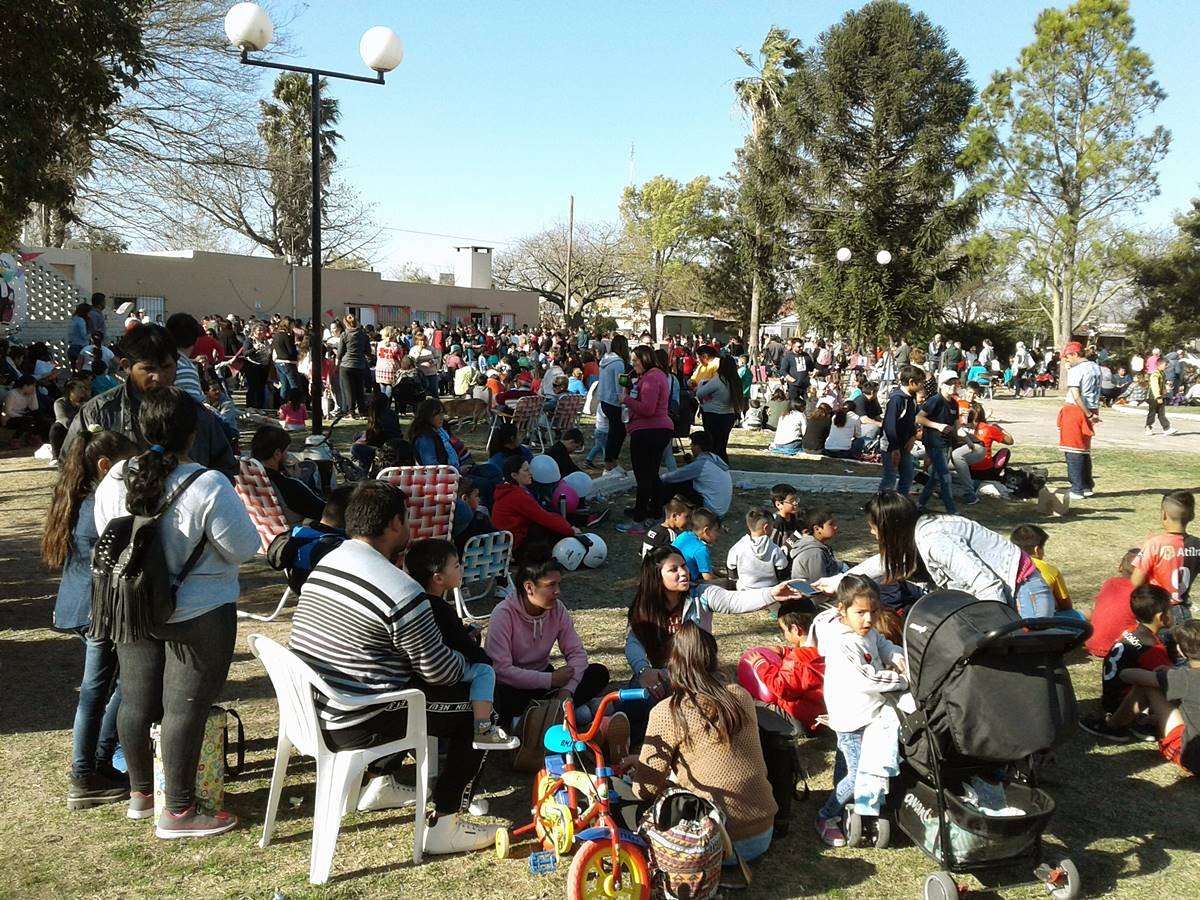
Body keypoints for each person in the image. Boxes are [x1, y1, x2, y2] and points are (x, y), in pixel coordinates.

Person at [288, 480, 497, 853]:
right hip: (355, 719)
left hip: (310, 710)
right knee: (477, 712)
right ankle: (445, 823)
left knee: (410, 683)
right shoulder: (400, 590)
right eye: (407, 520)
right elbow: (439, 672)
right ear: (395, 524)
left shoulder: (327, 563)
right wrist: (472, 663)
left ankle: (380, 784)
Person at [94, 388, 259, 837]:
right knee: (184, 707)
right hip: (199, 610)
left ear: (140, 427)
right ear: (194, 433)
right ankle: (180, 811)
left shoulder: (115, 478)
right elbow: (244, 547)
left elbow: (106, 533)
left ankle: (141, 794)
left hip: (132, 605)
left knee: (134, 699)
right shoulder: (207, 484)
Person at [42, 429, 138, 810]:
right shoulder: (101, 502)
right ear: (105, 466)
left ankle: (98, 763)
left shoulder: (77, 496)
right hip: (95, 609)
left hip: (79, 606)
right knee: (102, 689)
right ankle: (84, 774)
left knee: (116, 684)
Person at [630, 622, 777, 863]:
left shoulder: (668, 712)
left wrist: (640, 768)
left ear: (672, 665)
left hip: (713, 843)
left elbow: (644, 789)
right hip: (763, 832)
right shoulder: (740, 696)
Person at [817, 492, 1055, 618]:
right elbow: (883, 564)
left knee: (1033, 659)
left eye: (874, 528)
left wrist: (994, 628)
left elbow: (986, 585)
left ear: (891, 527)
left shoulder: (935, 538)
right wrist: (838, 581)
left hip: (1024, 589)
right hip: (1005, 593)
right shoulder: (914, 534)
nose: (872, 533)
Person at [63, 324, 237, 479]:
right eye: (148, 369)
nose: (158, 377)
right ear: (127, 366)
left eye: (166, 367)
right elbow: (70, 469)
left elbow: (225, 467)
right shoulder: (98, 412)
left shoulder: (195, 413)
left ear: (177, 364)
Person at [814, 574, 907, 847]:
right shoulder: (843, 643)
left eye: (874, 612)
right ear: (842, 610)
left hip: (867, 712)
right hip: (852, 718)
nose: (868, 619)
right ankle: (826, 815)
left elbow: (883, 644)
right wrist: (902, 680)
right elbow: (868, 678)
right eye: (861, 613)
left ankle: (842, 799)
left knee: (846, 764)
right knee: (857, 777)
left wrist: (896, 656)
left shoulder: (867, 633)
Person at [405, 540, 520, 750]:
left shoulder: (416, 603)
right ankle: (483, 730)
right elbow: (461, 644)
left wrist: (466, 635)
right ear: (438, 578)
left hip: (419, 671)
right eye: (456, 565)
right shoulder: (442, 609)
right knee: (484, 672)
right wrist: (485, 659)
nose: (461, 569)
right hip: (443, 669)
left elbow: (450, 637)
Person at [485, 558, 611, 725]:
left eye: (559, 584)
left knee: (598, 673)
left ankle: (549, 712)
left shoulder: (557, 609)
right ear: (529, 587)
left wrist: (567, 690)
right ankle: (561, 713)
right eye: (551, 585)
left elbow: (576, 653)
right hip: (514, 685)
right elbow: (501, 670)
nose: (557, 591)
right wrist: (549, 680)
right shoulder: (503, 614)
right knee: (498, 696)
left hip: (545, 680)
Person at [1104, 618, 1200, 775]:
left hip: (1192, 756)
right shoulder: (1183, 678)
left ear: (1180, 651)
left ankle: (1112, 726)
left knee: (1147, 685)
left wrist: (1161, 677)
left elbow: (1126, 675)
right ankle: (1146, 721)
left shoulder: (1184, 678)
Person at [1079, 585, 1174, 742]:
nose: (1173, 613)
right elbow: (1170, 680)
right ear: (1161, 617)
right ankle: (1142, 723)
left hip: (1110, 698)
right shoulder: (1152, 648)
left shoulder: (1130, 631)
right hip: (1128, 704)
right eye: (1171, 609)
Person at [741, 598, 826, 733]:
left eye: (784, 630)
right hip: (823, 715)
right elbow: (806, 661)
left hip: (801, 719)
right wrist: (784, 651)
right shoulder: (825, 648)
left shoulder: (797, 660)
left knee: (751, 704)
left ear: (795, 629)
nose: (784, 634)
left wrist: (761, 665)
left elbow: (780, 687)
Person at [616, 345, 673, 534]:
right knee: (652, 474)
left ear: (645, 359)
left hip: (648, 431)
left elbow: (648, 409)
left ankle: (639, 519)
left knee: (643, 477)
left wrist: (626, 399)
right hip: (658, 429)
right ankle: (655, 512)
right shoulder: (657, 376)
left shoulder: (651, 378)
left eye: (635, 360)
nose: (633, 364)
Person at [1130, 491, 1200, 626]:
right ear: (1192, 515)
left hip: (1157, 612)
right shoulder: (1197, 544)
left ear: (1164, 515)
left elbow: (1136, 581)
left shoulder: (1155, 544)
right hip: (1183, 610)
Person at [492, 456, 578, 563]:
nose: (531, 473)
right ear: (514, 475)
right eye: (526, 470)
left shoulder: (510, 491)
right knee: (545, 528)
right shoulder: (517, 495)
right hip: (515, 547)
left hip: (510, 543)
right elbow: (544, 517)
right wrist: (570, 530)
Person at [250, 426, 325, 523]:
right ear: (277, 454)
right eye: (287, 451)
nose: (288, 455)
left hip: (262, 529)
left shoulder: (247, 478)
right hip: (295, 529)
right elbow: (325, 512)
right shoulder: (288, 486)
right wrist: (298, 480)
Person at [915, 369, 965, 514]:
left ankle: (920, 504)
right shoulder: (935, 400)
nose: (952, 386)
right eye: (949, 383)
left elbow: (956, 425)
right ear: (941, 385)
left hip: (946, 443)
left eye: (955, 383)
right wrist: (938, 426)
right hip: (934, 443)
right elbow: (919, 417)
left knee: (936, 477)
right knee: (945, 476)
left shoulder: (954, 403)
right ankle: (951, 510)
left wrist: (966, 439)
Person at [656, 431, 732, 519]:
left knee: (675, 484)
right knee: (685, 482)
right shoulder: (715, 459)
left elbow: (673, 477)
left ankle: (655, 508)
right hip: (720, 509)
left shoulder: (701, 464)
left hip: (711, 510)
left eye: (692, 444)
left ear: (698, 446)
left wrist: (656, 481)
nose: (691, 448)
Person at [1010, 524, 1077, 616]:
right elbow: (1065, 605)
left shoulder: (1008, 566)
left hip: (1011, 618)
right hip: (1044, 619)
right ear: (1037, 549)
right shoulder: (1050, 570)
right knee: (1087, 614)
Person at [1086, 548, 1141, 658]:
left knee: (1089, 612)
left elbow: (1096, 608)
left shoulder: (1109, 583)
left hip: (1091, 644)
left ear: (1120, 567)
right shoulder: (1142, 592)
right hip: (1120, 648)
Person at [879, 365, 922, 493]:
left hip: (905, 444)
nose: (922, 385)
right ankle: (882, 502)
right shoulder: (897, 400)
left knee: (908, 475)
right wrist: (895, 448)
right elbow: (889, 425)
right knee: (890, 477)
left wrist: (913, 436)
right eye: (920, 381)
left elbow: (912, 420)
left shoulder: (912, 398)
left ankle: (902, 501)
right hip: (891, 446)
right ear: (911, 382)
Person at [726, 508, 789, 590]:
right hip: (769, 592)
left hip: (744, 591)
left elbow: (732, 575)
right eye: (772, 527)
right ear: (766, 527)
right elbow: (782, 575)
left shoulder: (736, 548)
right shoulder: (775, 550)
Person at [695, 354, 743, 462]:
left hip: (712, 415)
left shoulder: (718, 381)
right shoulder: (736, 382)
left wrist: (701, 384)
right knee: (722, 444)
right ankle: (723, 465)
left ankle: (714, 465)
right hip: (728, 416)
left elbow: (699, 393)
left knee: (712, 445)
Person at [598, 334, 630, 472]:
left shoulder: (605, 361)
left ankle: (611, 461)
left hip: (604, 399)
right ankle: (610, 462)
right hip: (614, 401)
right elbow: (620, 383)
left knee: (614, 432)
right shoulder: (618, 364)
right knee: (618, 433)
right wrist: (623, 398)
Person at [672, 507, 722, 585]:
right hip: (684, 583)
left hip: (671, 576)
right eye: (716, 530)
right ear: (706, 531)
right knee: (727, 584)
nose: (718, 534)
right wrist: (722, 580)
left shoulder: (683, 535)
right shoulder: (701, 549)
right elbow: (708, 578)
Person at [791, 508, 842, 584]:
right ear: (817, 529)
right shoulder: (814, 553)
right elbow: (819, 584)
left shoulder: (816, 546)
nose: (835, 527)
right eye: (831, 524)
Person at [336, 313, 371, 418]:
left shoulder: (344, 335)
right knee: (360, 389)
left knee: (349, 390)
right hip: (360, 365)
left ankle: (351, 412)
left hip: (346, 365)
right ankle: (362, 411)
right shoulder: (364, 335)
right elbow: (368, 352)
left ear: (346, 323)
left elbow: (340, 352)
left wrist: (337, 364)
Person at [50, 379, 91, 461]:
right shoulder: (60, 403)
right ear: (71, 390)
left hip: (84, 430)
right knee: (56, 428)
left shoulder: (86, 404)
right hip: (68, 430)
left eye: (84, 387)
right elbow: (64, 420)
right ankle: (56, 457)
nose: (83, 390)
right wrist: (79, 430)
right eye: (80, 387)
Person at [643, 495, 693, 559]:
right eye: (687, 517)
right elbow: (675, 557)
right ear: (674, 516)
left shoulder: (653, 530)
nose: (689, 520)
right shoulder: (670, 535)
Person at [1146, 359, 1177, 435]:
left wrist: (1165, 392)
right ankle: (1148, 427)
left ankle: (1166, 428)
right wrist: (1158, 397)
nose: (1167, 366)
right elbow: (1155, 386)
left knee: (1161, 414)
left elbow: (1162, 385)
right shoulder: (1155, 374)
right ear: (1160, 364)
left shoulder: (1162, 373)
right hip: (1153, 397)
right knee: (1152, 413)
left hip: (1161, 396)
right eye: (1166, 365)